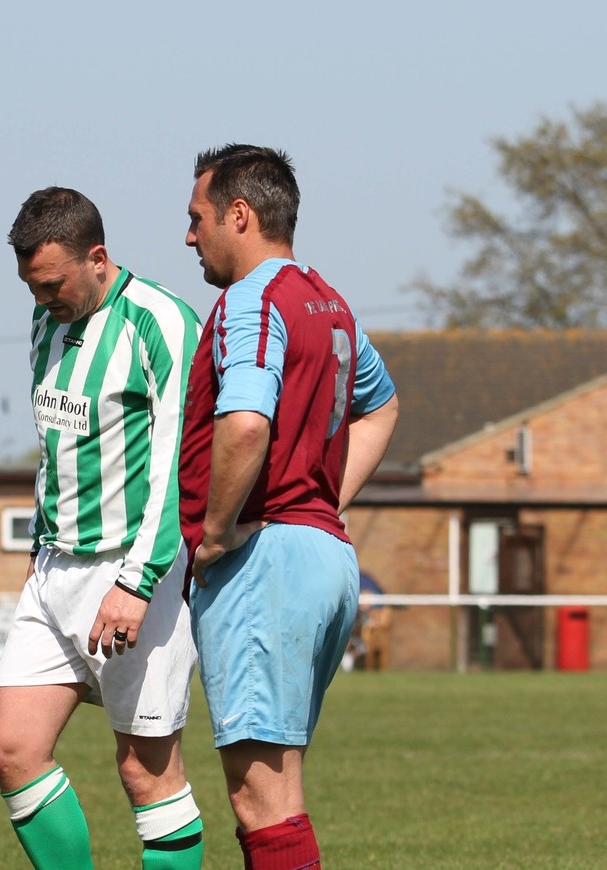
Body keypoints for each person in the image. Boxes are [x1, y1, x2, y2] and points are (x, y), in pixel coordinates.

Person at [179, 144, 399, 868]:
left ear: (238, 215)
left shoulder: (252, 300)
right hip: (320, 555)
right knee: (274, 792)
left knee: (261, 801)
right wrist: (321, 502)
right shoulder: (326, 300)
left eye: (197, 218)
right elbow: (381, 404)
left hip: (265, 565)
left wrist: (213, 533)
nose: (189, 237)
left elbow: (246, 422)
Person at [0, 188, 205, 868]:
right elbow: (53, 445)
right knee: (11, 748)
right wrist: (37, 546)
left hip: (135, 571)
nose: (43, 299)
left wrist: (136, 583)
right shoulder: (45, 322)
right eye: (32, 287)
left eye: (52, 284)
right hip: (55, 567)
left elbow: (177, 465)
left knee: (145, 772)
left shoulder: (161, 322)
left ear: (97, 257)